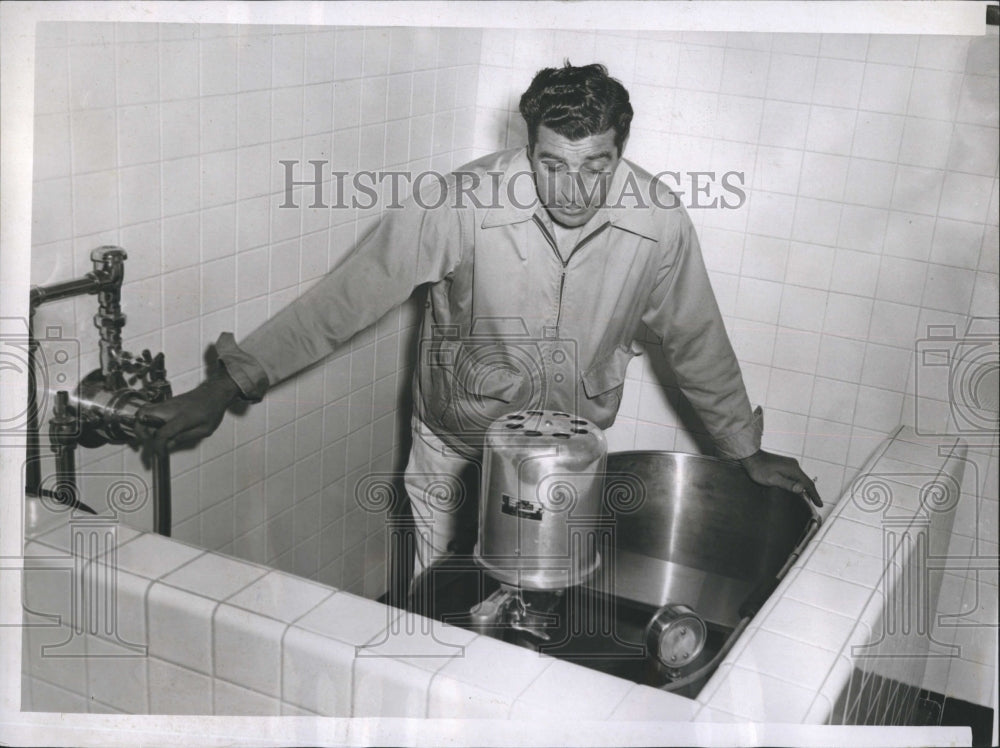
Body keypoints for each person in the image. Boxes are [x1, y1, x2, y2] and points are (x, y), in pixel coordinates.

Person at [138, 63, 821, 585]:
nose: (573, 191)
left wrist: (742, 449)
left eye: (597, 167)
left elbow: (694, 338)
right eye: (552, 164)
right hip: (452, 440)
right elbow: (348, 296)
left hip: (561, 455)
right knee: (437, 605)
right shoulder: (462, 202)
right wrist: (228, 384)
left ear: (622, 153)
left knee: (541, 599)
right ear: (528, 149)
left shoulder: (659, 221)